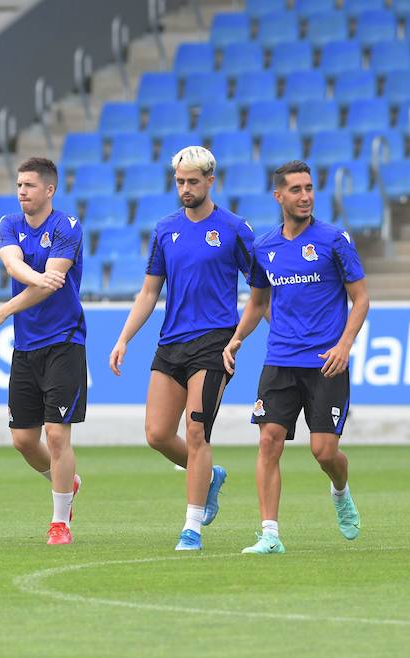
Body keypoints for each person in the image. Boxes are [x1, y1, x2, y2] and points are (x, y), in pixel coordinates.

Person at [108, 146, 254, 551]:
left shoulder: (234, 229)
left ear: (210, 181)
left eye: (192, 181)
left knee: (195, 431)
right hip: (171, 342)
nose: (185, 188)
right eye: (179, 182)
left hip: (214, 343)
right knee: (157, 434)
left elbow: (260, 290)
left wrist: (245, 335)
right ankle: (210, 475)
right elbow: (149, 292)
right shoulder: (165, 229)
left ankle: (191, 529)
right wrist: (123, 338)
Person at [222, 161, 367, 554]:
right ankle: (270, 534)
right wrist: (236, 339)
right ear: (279, 196)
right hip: (280, 360)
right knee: (269, 441)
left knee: (324, 452)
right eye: (296, 190)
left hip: (326, 362)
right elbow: (258, 303)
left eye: (309, 188)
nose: (305, 196)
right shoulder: (264, 247)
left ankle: (340, 490)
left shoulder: (334, 239)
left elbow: (361, 298)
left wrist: (345, 344)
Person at [0, 157, 85, 545]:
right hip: (25, 346)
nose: (22, 191)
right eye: (19, 185)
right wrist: (39, 278)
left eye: (30, 185)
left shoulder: (67, 226)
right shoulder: (9, 224)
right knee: (23, 440)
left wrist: (5, 309)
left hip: (64, 342)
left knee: (56, 435)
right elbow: (13, 264)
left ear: (49, 190)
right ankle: (66, 482)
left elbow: (51, 285)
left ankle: (60, 522)